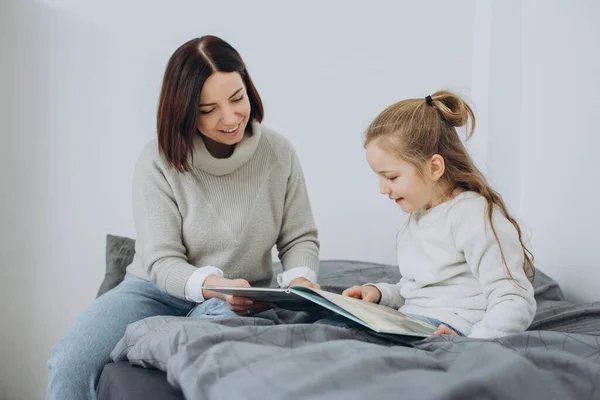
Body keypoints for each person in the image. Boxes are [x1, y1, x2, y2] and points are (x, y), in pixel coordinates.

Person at [46, 35, 320, 400]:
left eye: (237, 98)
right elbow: (161, 261)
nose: (230, 117)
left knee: (197, 352)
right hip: (153, 292)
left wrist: (301, 279)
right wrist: (213, 285)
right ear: (184, 110)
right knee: (69, 361)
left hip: (237, 298)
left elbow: (298, 237)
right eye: (208, 110)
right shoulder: (158, 162)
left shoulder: (279, 153)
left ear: (248, 88)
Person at [342, 90, 536, 338]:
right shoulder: (418, 215)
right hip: (413, 319)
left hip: (451, 327)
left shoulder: (472, 215)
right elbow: (418, 289)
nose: (383, 189)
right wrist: (380, 294)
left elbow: (514, 298)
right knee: (330, 326)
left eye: (391, 177)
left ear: (434, 167)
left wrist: (474, 341)